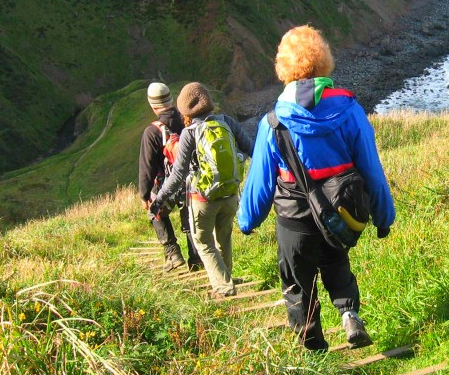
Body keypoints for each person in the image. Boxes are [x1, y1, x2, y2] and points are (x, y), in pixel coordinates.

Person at [238, 25, 395, 351]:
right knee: (336, 261)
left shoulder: (275, 121)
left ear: (283, 66)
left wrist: (247, 220)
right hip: (339, 208)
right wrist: (383, 216)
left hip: (293, 215)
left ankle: (313, 345)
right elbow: (371, 169)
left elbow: (261, 181)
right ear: (323, 59)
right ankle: (349, 313)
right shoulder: (349, 109)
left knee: (298, 282)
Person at [152, 82, 254, 296]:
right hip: (229, 194)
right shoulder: (227, 122)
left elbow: (178, 175)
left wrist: (159, 199)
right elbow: (251, 149)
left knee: (203, 242)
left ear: (185, 110)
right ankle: (226, 277)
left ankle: (223, 286)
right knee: (224, 237)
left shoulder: (190, 133)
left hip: (203, 199)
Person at [138, 82, 200, 272]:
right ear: (171, 99)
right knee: (189, 217)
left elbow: (147, 169)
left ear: (152, 105)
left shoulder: (152, 132)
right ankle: (196, 258)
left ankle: (173, 253)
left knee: (155, 211)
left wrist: (144, 195)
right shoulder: (188, 120)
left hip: (167, 185)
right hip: (193, 181)